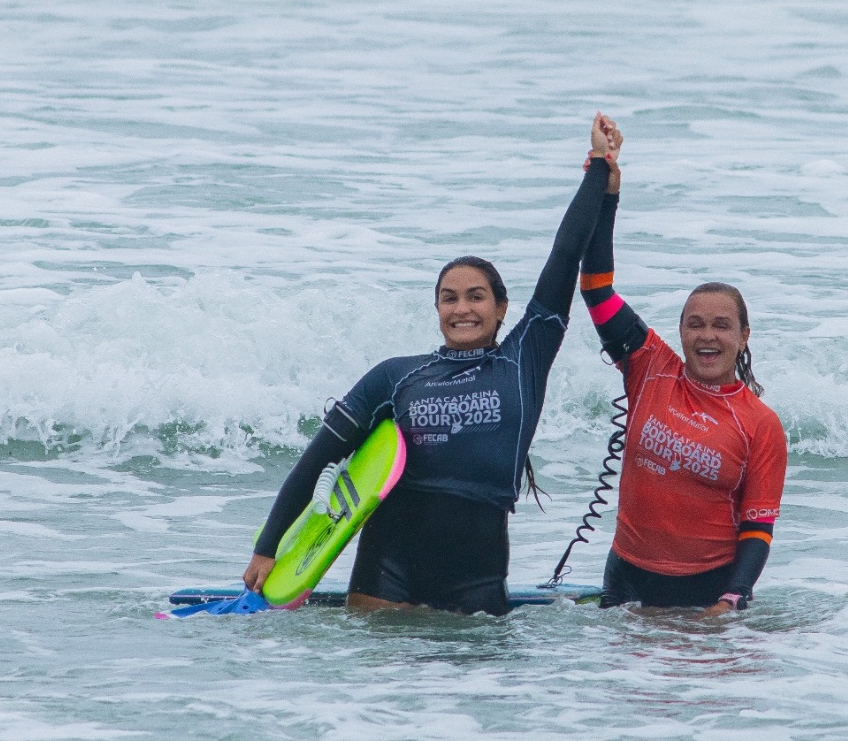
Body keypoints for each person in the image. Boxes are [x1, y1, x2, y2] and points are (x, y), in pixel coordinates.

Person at [241, 117, 621, 616]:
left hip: (478, 583)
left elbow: (565, 254)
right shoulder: (395, 376)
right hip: (387, 571)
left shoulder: (525, 358)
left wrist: (600, 175)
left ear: (502, 307)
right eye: (448, 298)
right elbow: (318, 460)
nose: (462, 309)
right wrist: (267, 548)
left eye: (476, 297)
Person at [577, 121, 787, 614]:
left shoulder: (760, 425)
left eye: (720, 326)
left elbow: (758, 529)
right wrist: (606, 187)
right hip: (625, 578)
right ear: (680, 331)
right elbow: (596, 287)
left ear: (743, 337)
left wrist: (731, 600)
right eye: (694, 325)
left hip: (706, 593)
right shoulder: (650, 364)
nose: (707, 336)